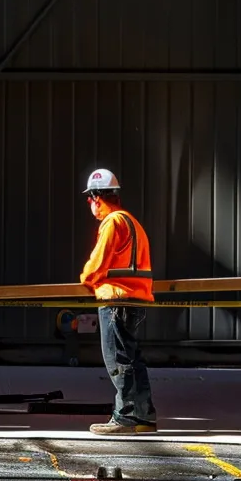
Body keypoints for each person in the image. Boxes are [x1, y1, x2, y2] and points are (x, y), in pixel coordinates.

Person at [79, 168, 157, 435]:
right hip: (135, 298)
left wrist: (86, 280)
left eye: (90, 199)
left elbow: (96, 266)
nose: (90, 204)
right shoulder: (132, 222)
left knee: (118, 361)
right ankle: (143, 416)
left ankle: (126, 417)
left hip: (116, 299)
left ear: (97, 198)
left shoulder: (113, 222)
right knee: (132, 359)